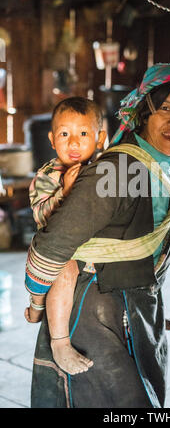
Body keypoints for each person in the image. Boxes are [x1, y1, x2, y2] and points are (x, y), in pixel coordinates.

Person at [25, 63, 170, 408]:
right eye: (165, 108)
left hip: (132, 307)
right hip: (94, 312)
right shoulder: (120, 169)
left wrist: (147, 306)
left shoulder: (166, 164)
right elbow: (51, 247)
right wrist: (39, 303)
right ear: (143, 112)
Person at [25, 97, 106, 374]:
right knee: (66, 271)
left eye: (83, 134)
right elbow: (42, 217)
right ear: (51, 139)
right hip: (59, 253)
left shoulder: (102, 170)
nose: (73, 142)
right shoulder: (48, 175)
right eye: (64, 134)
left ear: (100, 138)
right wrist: (66, 192)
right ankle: (59, 343)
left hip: (94, 250)